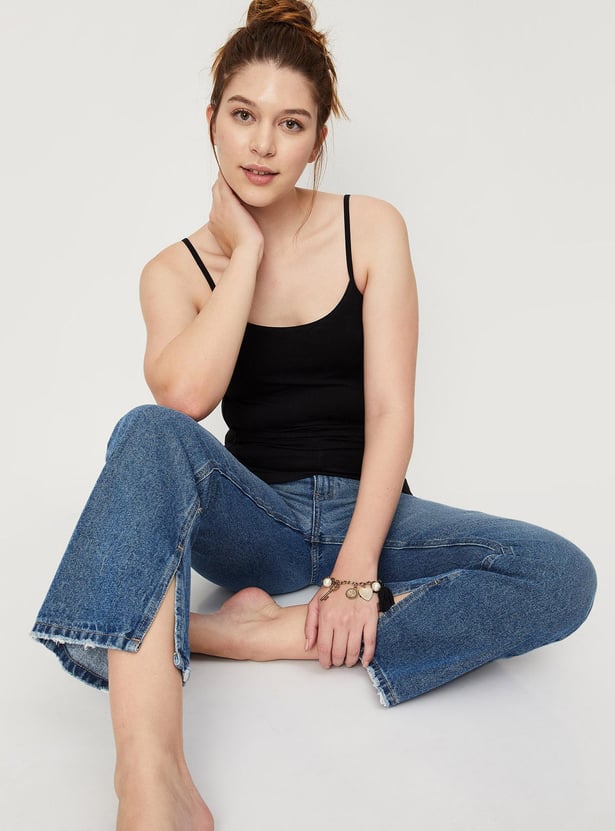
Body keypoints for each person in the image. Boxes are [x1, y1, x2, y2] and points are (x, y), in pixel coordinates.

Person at [31, 1, 597, 829]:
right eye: (243, 116)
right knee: (143, 432)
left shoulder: (369, 227)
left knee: (559, 576)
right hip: (252, 520)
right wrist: (246, 254)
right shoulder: (174, 271)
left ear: (317, 138)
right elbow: (184, 402)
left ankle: (243, 634)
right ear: (211, 120)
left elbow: (391, 409)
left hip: (373, 513)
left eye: (289, 124)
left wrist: (355, 575)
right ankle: (151, 779)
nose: (263, 145)